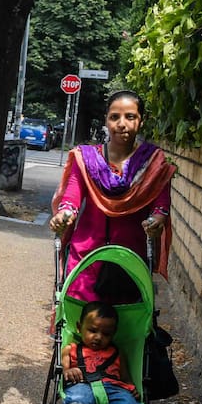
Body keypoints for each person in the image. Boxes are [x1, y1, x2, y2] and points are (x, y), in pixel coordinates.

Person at [48, 90, 175, 303]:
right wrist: (65, 214)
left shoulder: (153, 162)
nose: (121, 123)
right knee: (80, 323)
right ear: (106, 120)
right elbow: (72, 195)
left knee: (125, 327)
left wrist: (157, 220)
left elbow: (161, 203)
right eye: (114, 117)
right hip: (86, 257)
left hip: (130, 259)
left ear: (141, 122)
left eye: (130, 117)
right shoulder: (86, 159)